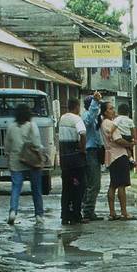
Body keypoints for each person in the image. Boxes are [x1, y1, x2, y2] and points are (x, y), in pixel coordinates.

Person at [4, 103, 46, 224]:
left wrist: (8, 158)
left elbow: (7, 146)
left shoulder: (11, 127)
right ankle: (39, 215)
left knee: (16, 188)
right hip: (32, 162)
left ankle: (13, 211)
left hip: (16, 161)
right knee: (36, 189)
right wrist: (42, 156)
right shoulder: (32, 126)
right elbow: (37, 144)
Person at [55, 96, 87, 224]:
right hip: (76, 158)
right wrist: (83, 148)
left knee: (66, 187)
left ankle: (65, 215)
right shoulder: (77, 119)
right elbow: (83, 133)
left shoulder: (62, 118)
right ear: (77, 107)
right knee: (79, 186)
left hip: (64, 159)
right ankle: (76, 215)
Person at [101, 101, 134, 220]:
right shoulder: (109, 123)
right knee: (121, 185)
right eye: (110, 109)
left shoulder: (103, 124)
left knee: (113, 184)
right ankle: (124, 212)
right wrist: (130, 144)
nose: (113, 111)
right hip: (119, 155)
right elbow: (118, 139)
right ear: (105, 112)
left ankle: (112, 212)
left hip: (110, 156)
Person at [82, 91, 105, 221]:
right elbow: (88, 120)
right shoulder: (87, 116)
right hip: (90, 151)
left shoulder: (96, 118)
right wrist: (95, 103)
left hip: (95, 151)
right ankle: (87, 211)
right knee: (94, 183)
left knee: (92, 183)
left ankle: (88, 209)